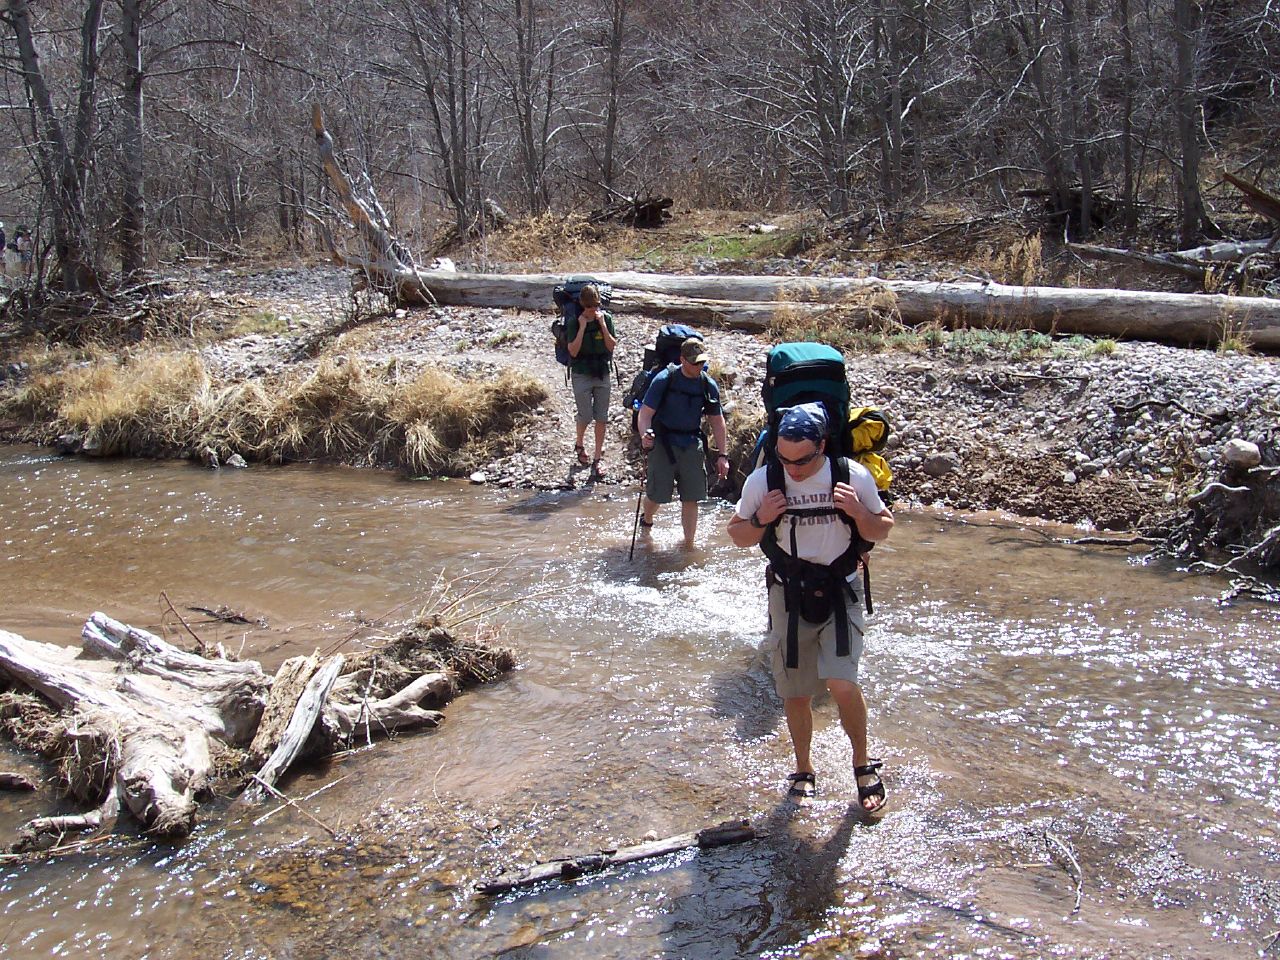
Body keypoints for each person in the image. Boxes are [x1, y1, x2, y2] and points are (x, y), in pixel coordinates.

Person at [727, 402, 894, 813]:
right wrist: (761, 519)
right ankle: (804, 768)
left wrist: (857, 511)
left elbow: (882, 528)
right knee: (796, 691)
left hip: (842, 590)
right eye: (784, 458)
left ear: (821, 446)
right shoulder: (764, 481)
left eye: (801, 461)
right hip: (789, 593)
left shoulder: (851, 476)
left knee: (841, 682)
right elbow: (738, 536)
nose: (793, 470)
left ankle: (862, 762)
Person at [636, 337, 730, 544]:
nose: (699, 366)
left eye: (702, 362)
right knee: (657, 494)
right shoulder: (664, 379)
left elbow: (717, 420)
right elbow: (644, 414)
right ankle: (647, 519)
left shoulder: (707, 384)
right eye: (695, 362)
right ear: (682, 360)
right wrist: (645, 436)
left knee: (692, 497)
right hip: (663, 443)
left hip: (691, 443)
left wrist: (723, 455)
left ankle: (689, 544)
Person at [566, 283, 617, 478]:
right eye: (588, 307)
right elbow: (573, 350)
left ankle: (598, 458)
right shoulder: (574, 322)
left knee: (601, 417)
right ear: (582, 305)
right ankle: (579, 444)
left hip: (602, 372)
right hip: (581, 373)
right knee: (585, 415)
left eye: (595, 306)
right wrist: (582, 327)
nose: (592, 310)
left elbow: (611, 346)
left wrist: (603, 325)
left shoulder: (607, 319)